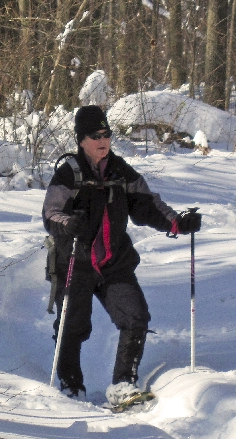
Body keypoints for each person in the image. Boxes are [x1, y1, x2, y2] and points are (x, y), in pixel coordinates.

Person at [42, 105, 201, 406]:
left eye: (107, 134)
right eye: (95, 135)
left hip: (114, 262)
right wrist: (68, 224)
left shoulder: (120, 171)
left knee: (135, 316)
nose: (103, 140)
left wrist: (178, 223)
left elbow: (148, 205)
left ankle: (123, 385)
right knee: (72, 326)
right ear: (81, 139)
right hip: (76, 261)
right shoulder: (69, 173)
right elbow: (51, 213)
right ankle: (71, 386)